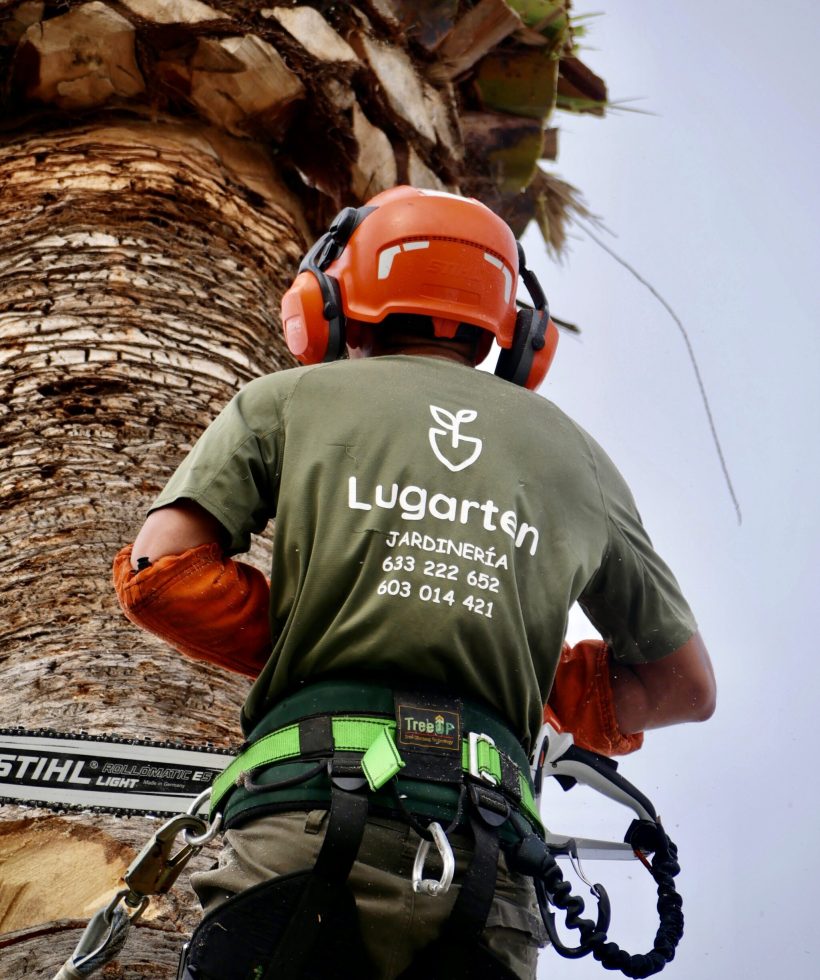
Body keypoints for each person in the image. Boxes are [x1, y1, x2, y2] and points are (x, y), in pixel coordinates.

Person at [113, 186, 715, 980]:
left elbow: (164, 574)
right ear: (519, 330)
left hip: (304, 829)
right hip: (489, 856)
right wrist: (527, 676)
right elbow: (683, 686)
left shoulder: (287, 401)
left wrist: (331, 624)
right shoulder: (578, 457)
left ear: (329, 297)